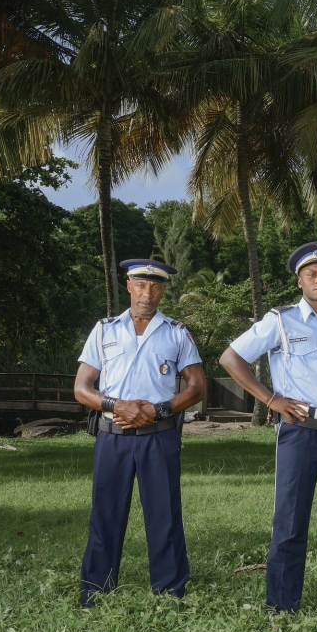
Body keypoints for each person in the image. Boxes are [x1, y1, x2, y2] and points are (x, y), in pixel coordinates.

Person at [220, 242, 317, 612]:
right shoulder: (280, 320)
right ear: (300, 281)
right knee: (291, 522)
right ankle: (282, 604)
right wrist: (270, 399)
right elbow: (231, 357)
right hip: (299, 431)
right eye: (311, 274)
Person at [73, 259, 206, 608]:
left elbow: (196, 387)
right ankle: (95, 592)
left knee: (164, 516)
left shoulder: (177, 332)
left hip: (159, 436)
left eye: (156, 286)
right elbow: (82, 388)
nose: (148, 293)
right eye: (141, 285)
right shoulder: (104, 330)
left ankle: (170, 593)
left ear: (163, 290)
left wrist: (157, 410)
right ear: (129, 286)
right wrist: (117, 405)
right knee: (105, 514)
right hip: (111, 435)